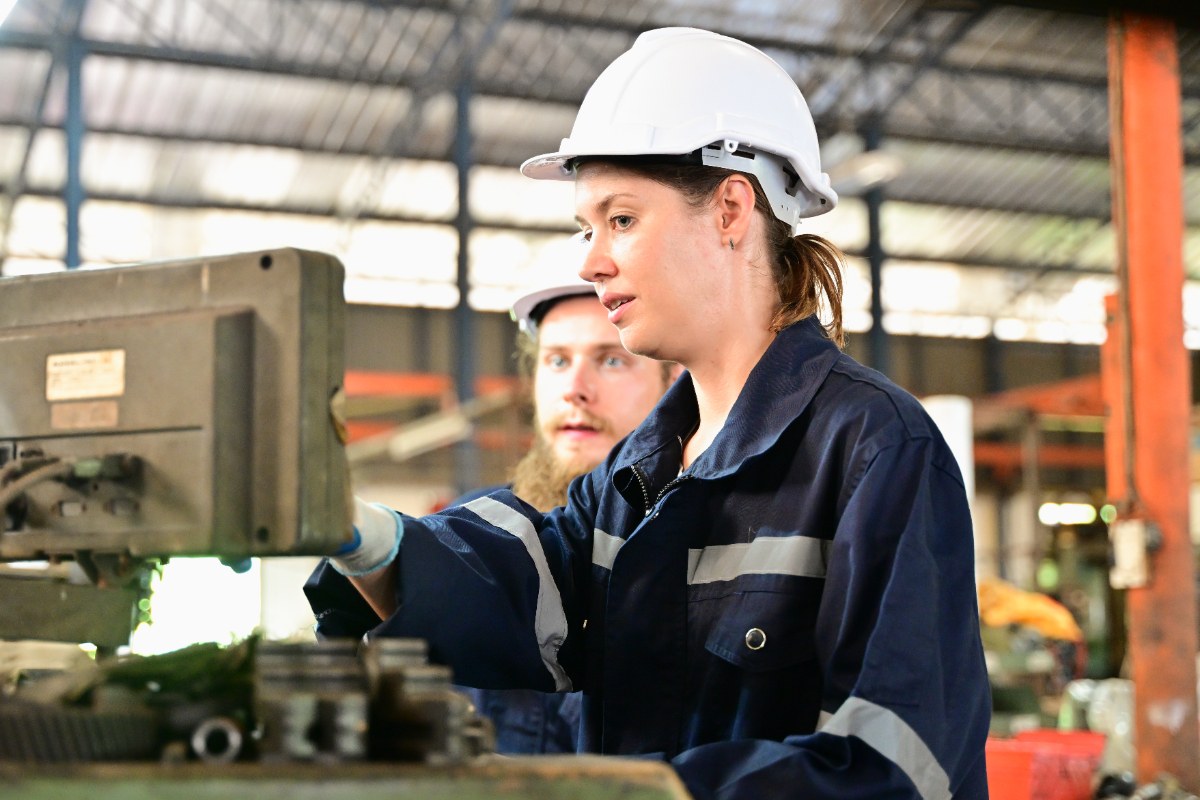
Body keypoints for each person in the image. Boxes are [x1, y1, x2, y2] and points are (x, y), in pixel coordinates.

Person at [320, 27, 991, 799]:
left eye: (622, 219)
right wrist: (356, 531)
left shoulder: (875, 450)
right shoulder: (639, 471)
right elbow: (517, 585)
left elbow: (898, 770)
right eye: (586, 226)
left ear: (732, 210)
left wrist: (626, 787)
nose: (590, 258)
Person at [304, 235, 679, 754]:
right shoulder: (467, 537)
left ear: (674, 379)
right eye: (556, 361)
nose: (576, 388)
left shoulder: (695, 548)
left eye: (611, 360)